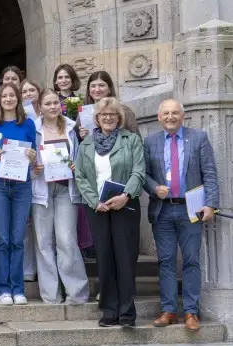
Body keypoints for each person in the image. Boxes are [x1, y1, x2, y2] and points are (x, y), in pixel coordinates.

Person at [145, 99, 219, 332]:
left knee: (191, 260)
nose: (170, 117)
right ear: (159, 117)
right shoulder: (150, 141)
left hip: (191, 210)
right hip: (163, 209)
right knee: (166, 261)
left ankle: (190, 311)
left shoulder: (198, 138)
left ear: (182, 116)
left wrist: (211, 204)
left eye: (175, 113)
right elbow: (143, 174)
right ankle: (168, 310)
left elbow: (209, 172)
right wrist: (154, 187)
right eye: (166, 113)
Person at [74, 97, 144, 328]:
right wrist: (95, 201)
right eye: (104, 114)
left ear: (119, 117)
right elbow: (81, 176)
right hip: (98, 208)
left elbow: (138, 171)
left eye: (112, 114)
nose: (108, 117)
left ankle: (127, 312)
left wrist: (126, 196)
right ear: (97, 117)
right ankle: (109, 310)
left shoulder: (131, 140)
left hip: (126, 206)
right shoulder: (86, 144)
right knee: (104, 259)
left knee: (125, 258)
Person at [31, 89, 89, 304]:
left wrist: (76, 167)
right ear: (40, 108)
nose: (53, 107)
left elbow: (80, 157)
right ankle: (50, 295)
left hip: (66, 189)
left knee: (66, 240)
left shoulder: (72, 128)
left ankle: (76, 293)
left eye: (56, 102)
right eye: (48, 103)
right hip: (42, 190)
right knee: (44, 243)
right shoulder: (33, 129)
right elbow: (27, 158)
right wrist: (33, 169)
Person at [0, 83, 37, 306]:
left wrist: (33, 157)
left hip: (22, 184)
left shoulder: (28, 124)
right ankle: (2, 288)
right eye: (4, 96)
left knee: (17, 238)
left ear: (18, 99)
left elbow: (33, 156)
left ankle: (18, 288)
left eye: (12, 95)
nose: (8, 99)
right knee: (2, 238)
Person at [19, 78, 42, 281]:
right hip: (23, 174)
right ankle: (27, 269)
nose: (28, 94)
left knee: (43, 230)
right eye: (24, 91)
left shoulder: (48, 114)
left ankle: (42, 269)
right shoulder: (20, 119)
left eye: (31, 90)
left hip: (48, 177)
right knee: (26, 225)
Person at [79, 71, 139, 138]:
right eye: (93, 86)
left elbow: (136, 138)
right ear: (89, 90)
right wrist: (81, 137)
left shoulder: (124, 111)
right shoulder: (83, 113)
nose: (97, 89)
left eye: (101, 85)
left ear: (109, 89)